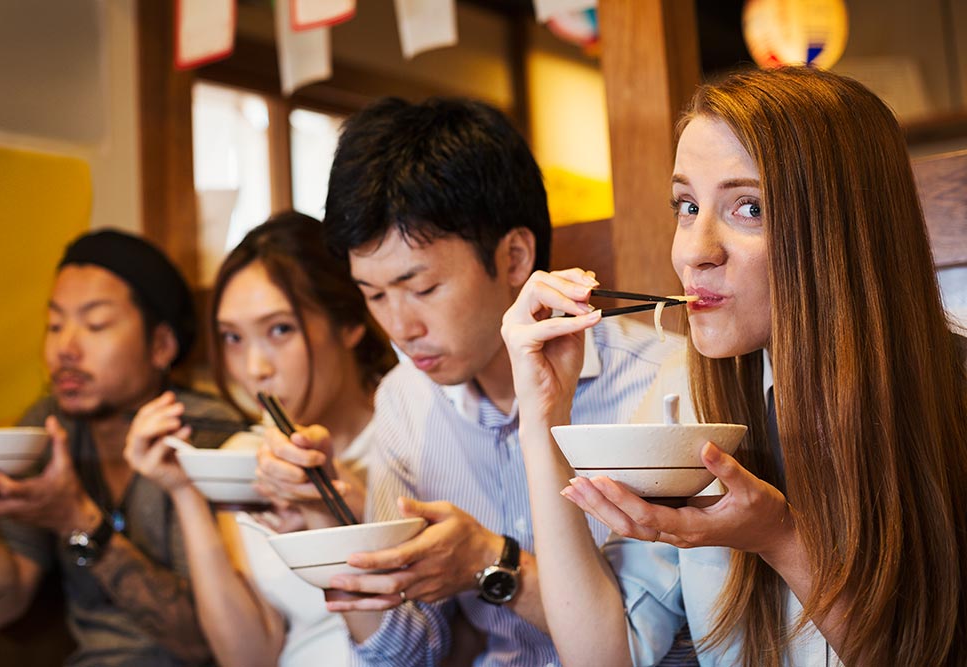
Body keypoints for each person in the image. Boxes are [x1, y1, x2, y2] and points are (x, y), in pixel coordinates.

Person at [500, 66, 967, 666]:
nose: (695, 252)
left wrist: (779, 536)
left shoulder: (950, 400)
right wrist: (543, 416)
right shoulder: (691, 405)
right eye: (687, 206)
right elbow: (603, 652)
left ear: (842, 229)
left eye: (748, 208)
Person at [256, 96, 684, 666]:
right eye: (374, 294)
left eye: (423, 288)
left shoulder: (664, 388)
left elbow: (665, 652)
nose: (400, 327)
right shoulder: (405, 403)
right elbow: (405, 654)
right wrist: (323, 515)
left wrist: (492, 563)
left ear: (513, 258)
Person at [123, 212, 396, 666]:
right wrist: (187, 493)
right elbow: (249, 655)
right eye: (232, 337)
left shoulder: (414, 430)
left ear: (350, 321)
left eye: (279, 330)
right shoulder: (245, 460)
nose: (254, 369)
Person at [0, 229, 242, 666]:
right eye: (54, 325)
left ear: (161, 345)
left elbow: (206, 643)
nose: (65, 349)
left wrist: (78, 520)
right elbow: (2, 604)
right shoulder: (46, 428)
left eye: (95, 324)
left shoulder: (207, 439)